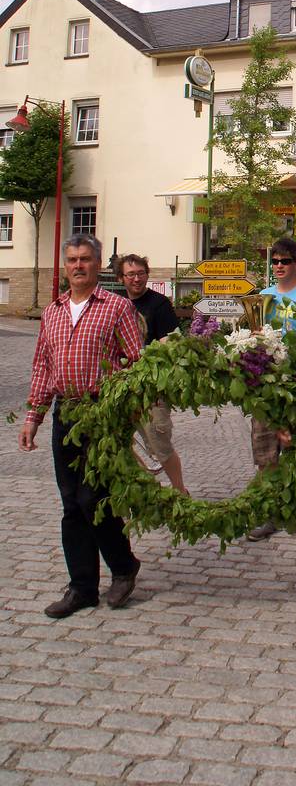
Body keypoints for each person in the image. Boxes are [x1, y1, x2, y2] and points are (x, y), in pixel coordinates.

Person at [19, 235, 143, 619]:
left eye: (85, 259)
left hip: (103, 413)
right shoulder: (53, 311)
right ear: (65, 264)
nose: (78, 266)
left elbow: (137, 361)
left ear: (98, 263)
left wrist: (123, 404)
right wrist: (33, 416)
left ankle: (123, 566)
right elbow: (43, 365)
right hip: (66, 414)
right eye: (72, 259)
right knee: (72, 503)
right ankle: (82, 587)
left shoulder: (117, 308)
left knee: (94, 498)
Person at [249, 236, 296, 541]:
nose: (278, 266)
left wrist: (287, 357)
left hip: (295, 382)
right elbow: (254, 334)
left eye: (285, 261)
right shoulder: (264, 295)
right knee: (265, 450)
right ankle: (271, 513)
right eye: (275, 262)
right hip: (266, 384)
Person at [116, 253, 187, 493]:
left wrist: (143, 354)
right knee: (121, 441)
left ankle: (180, 491)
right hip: (120, 385)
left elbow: (171, 341)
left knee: (159, 442)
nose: (137, 279)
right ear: (121, 278)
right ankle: (144, 489)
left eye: (141, 273)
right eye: (131, 275)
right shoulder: (115, 303)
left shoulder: (159, 304)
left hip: (152, 385)